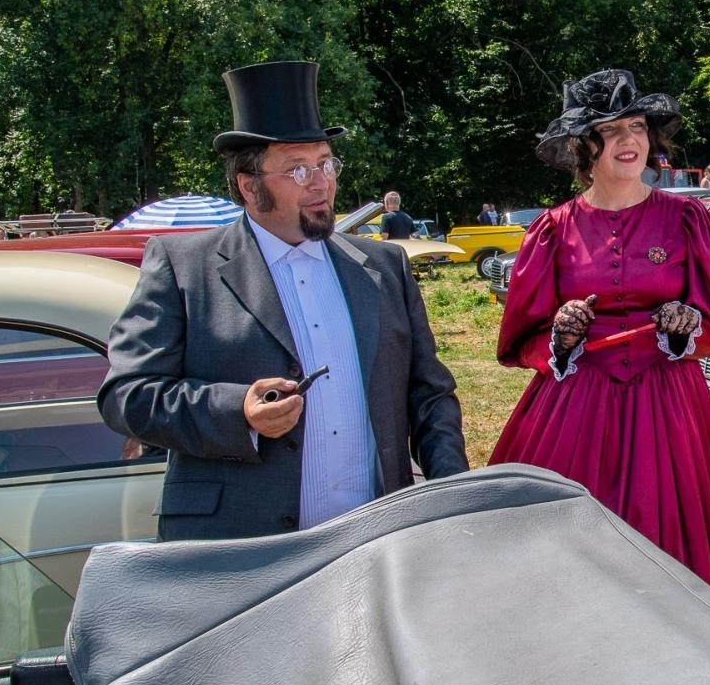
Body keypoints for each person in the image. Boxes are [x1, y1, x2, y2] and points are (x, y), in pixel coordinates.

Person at [99, 60, 470, 541]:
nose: (321, 183)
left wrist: (453, 494)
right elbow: (126, 396)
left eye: (326, 163)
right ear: (248, 186)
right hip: (239, 549)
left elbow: (430, 396)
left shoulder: (383, 267)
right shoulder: (184, 266)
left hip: (376, 542)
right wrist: (239, 412)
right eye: (298, 169)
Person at [491, 69, 710, 602]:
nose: (629, 140)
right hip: (575, 405)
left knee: (669, 540)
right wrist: (561, 336)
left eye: (636, 126)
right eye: (610, 131)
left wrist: (685, 327)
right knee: (561, 550)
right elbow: (523, 334)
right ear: (583, 146)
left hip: (668, 403)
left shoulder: (686, 218)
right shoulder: (554, 228)